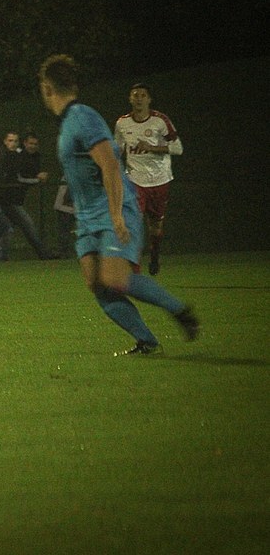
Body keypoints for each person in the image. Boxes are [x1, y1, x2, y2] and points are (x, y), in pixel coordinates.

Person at [38, 54, 199, 355]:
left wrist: (116, 215)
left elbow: (111, 165)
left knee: (114, 278)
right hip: (87, 217)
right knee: (95, 282)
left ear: (47, 88)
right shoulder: (68, 123)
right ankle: (147, 342)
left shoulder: (82, 116)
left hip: (112, 208)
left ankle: (180, 310)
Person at [114, 83, 183, 276]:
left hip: (160, 180)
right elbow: (117, 150)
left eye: (142, 95)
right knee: (133, 224)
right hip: (135, 181)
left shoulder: (160, 121)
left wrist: (152, 148)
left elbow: (178, 148)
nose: (139, 98)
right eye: (135, 95)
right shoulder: (122, 123)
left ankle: (154, 255)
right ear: (130, 99)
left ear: (149, 99)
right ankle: (134, 269)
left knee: (156, 227)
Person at [0, 130, 54, 261]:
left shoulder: (14, 155)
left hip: (3, 199)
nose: (13, 143)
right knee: (14, 226)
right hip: (0, 199)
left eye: (15, 141)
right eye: (10, 140)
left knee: (3, 227)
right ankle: (43, 254)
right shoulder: (4, 156)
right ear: (5, 141)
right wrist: (37, 179)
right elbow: (16, 179)